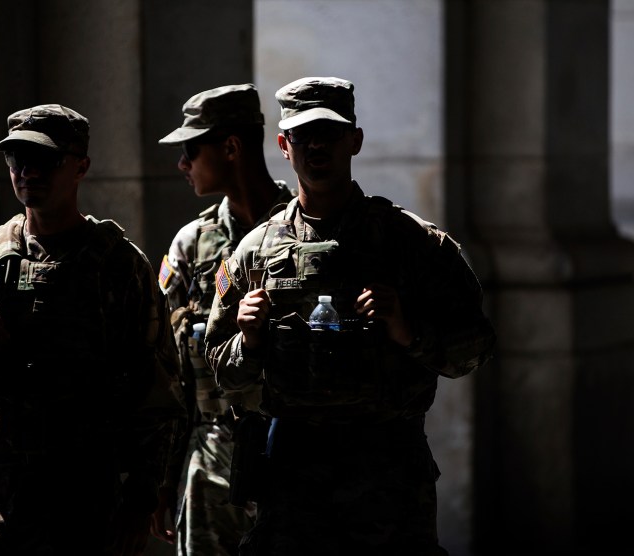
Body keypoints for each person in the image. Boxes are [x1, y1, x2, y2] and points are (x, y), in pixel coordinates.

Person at [204, 77, 496, 555]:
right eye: (303, 134)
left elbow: (476, 348)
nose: (316, 144)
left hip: (387, 473)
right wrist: (248, 341)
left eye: (330, 132)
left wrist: (408, 331)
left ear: (354, 140)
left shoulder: (414, 243)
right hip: (292, 477)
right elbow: (222, 374)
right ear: (283, 145)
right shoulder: (253, 252)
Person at [0, 104, 186, 556]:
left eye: (45, 160)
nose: (27, 171)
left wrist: (140, 499)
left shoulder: (120, 266)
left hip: (82, 491)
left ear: (80, 167)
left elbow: (157, 393)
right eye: (17, 159)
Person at [156, 83, 293, 556]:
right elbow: (169, 376)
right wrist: (162, 481)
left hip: (295, 461)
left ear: (230, 147)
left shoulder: (303, 231)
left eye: (190, 150)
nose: (182, 165)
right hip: (212, 465)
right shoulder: (192, 246)